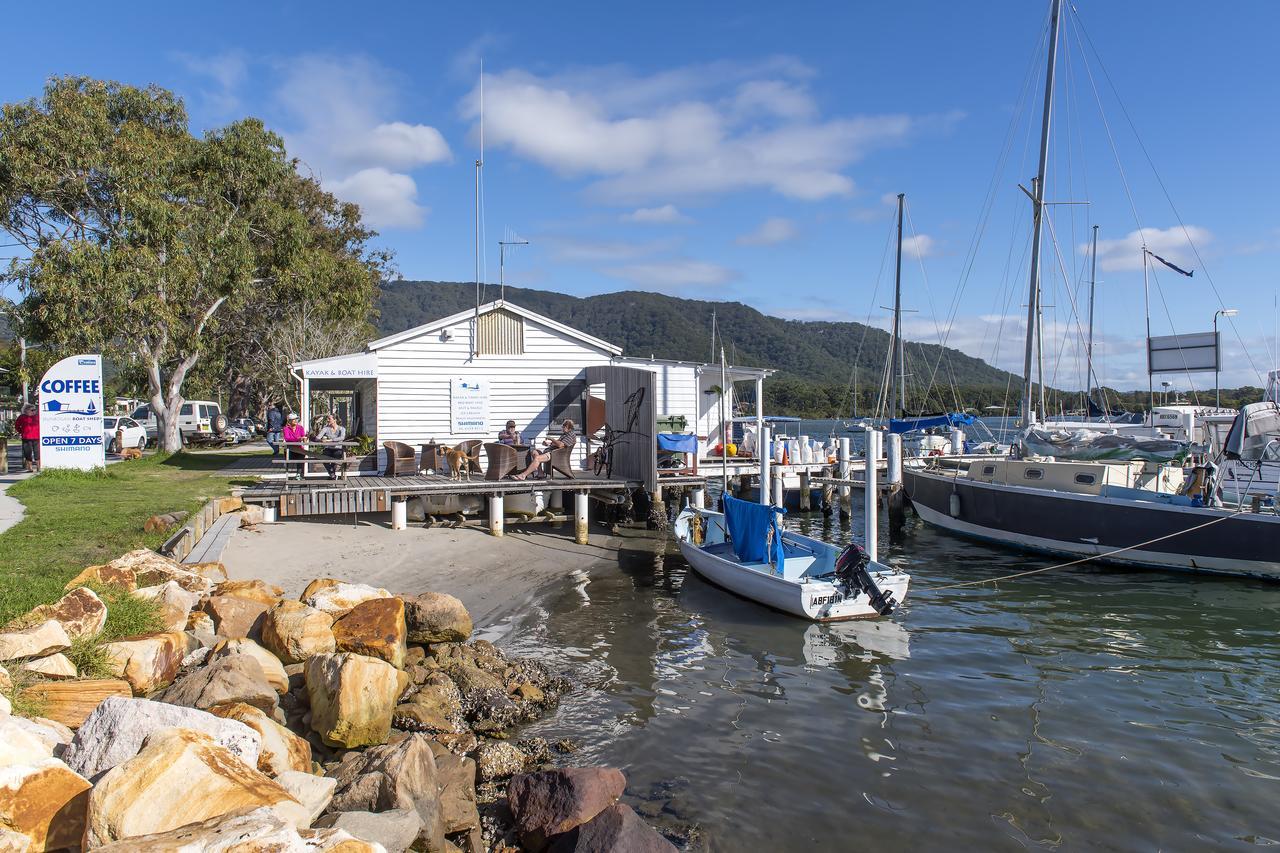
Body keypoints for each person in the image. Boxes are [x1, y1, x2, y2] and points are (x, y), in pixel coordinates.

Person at [316, 414, 347, 480]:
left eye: (329, 419)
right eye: (327, 419)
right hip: (328, 448)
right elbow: (317, 438)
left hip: (338, 449)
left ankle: (332, 475)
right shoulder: (326, 429)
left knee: (335, 456)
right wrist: (322, 440)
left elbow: (342, 437)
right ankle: (332, 474)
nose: (327, 420)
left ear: (334, 420)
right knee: (323, 457)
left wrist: (331, 440)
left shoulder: (342, 429)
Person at [14, 404, 39, 473]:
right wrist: (21, 432)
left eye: (35, 410)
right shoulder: (22, 417)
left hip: (37, 437)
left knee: (37, 452)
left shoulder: (37, 417)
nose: (34, 411)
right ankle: (30, 468)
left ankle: (38, 467)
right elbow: (17, 425)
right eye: (32, 410)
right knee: (27, 453)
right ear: (26, 410)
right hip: (26, 437)